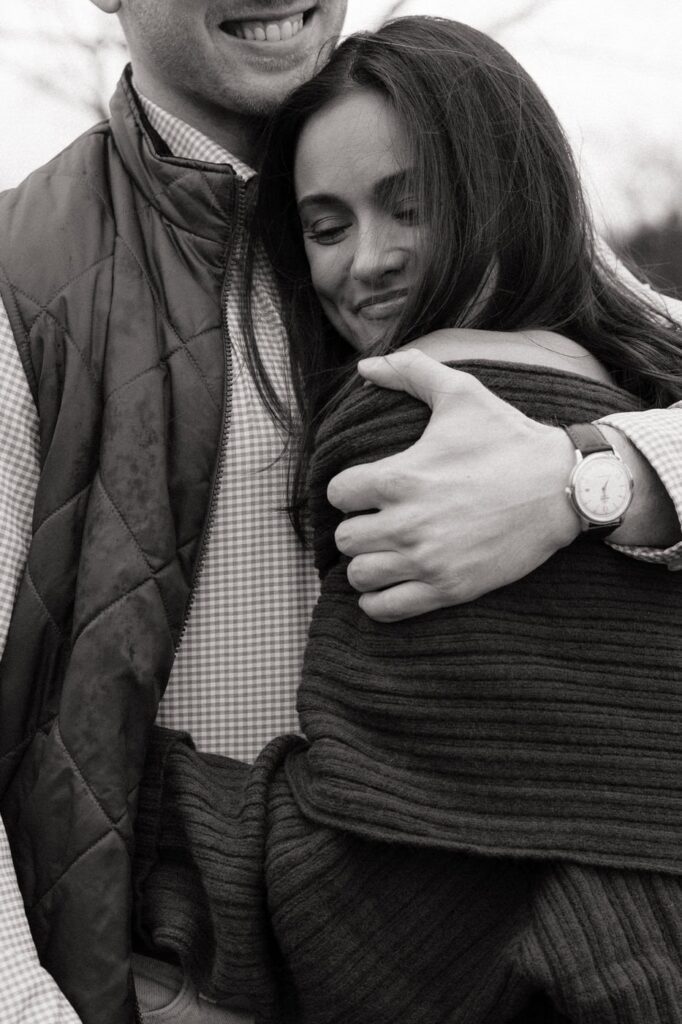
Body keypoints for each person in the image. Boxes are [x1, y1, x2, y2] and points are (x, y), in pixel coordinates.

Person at [0, 3, 680, 1023]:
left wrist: (594, 476)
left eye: (405, 208)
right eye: (326, 226)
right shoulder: (25, 278)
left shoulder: (472, 204)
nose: (370, 256)